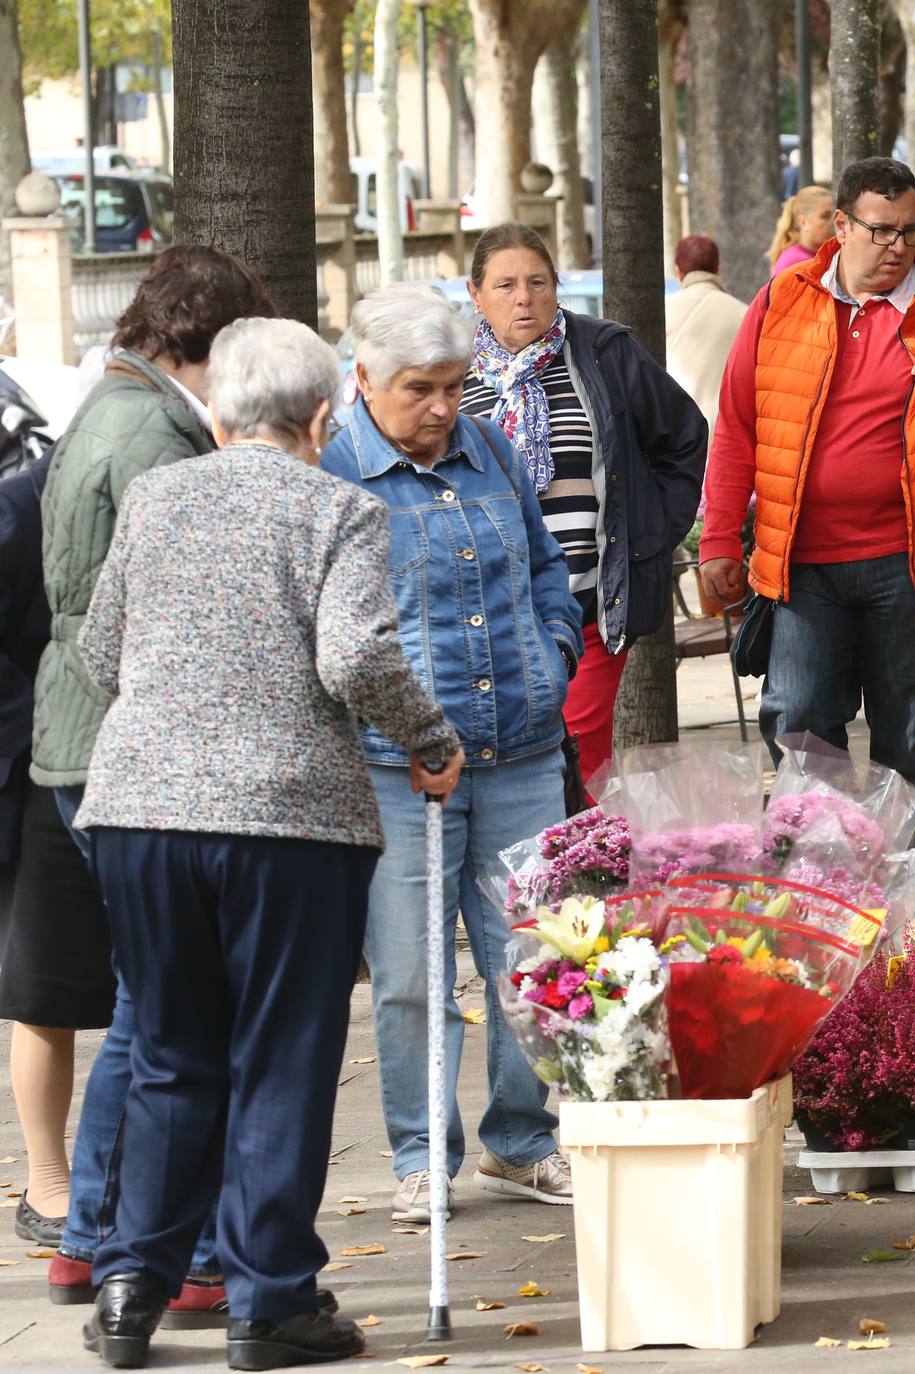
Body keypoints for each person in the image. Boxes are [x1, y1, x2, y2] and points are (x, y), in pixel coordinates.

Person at [71, 315, 460, 1372]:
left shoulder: (156, 498)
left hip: (142, 811)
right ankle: (270, 1299)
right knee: (282, 1055)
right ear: (324, 415)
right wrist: (431, 738)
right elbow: (355, 657)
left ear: (217, 408)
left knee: (164, 1048)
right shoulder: (341, 508)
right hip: (287, 818)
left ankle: (127, 1288)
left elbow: (102, 650)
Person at [34, 244, 273, 1318]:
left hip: (90, 744)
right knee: (167, 1015)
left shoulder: (113, 407)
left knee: (149, 1008)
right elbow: (145, 614)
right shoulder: (149, 434)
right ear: (209, 345)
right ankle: (147, 1245)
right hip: (122, 749)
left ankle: (96, 1238)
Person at [324, 282, 583, 1225]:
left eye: (453, 385)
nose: (441, 408)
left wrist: (554, 653)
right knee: (409, 971)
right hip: (397, 769)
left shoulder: (491, 448)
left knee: (534, 952)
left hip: (520, 747)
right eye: (418, 389)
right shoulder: (335, 474)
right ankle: (419, 1153)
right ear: (364, 379)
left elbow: (549, 568)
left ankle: (523, 1140)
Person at [697, 156, 915, 846]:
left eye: (910, 231)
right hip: (800, 562)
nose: (897, 247)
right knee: (797, 720)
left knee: (908, 736)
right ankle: (824, 874)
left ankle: (908, 884)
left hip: (908, 563)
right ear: (841, 225)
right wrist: (718, 539)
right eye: (881, 231)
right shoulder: (780, 300)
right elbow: (736, 426)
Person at [459, 222, 706, 788]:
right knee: (505, 764)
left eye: (537, 282)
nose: (524, 297)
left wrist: (647, 539)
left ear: (556, 287)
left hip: (586, 606)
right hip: (488, 616)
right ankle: (526, 874)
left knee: (576, 755)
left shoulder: (604, 353)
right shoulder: (454, 376)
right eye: (505, 285)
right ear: (476, 295)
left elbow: (684, 437)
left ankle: (579, 872)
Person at [1, 452, 115, 1254]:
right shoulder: (27, 499)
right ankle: (46, 1180)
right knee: (45, 987)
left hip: (125, 755)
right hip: (46, 758)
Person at [666, 234, 749, 430]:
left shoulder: (662, 312)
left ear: (678, 271)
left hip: (678, 432)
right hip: (728, 432)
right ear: (718, 268)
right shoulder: (745, 314)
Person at [769, 185, 835, 276]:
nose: (833, 222)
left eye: (834, 215)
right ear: (803, 222)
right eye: (825, 216)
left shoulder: (814, 255)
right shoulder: (797, 261)